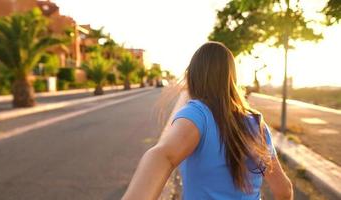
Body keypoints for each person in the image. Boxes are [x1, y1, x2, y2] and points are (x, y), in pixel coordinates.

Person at [122, 42, 293, 200]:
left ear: (194, 76)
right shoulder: (256, 124)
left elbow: (163, 156)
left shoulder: (198, 114)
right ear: (232, 78)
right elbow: (284, 190)